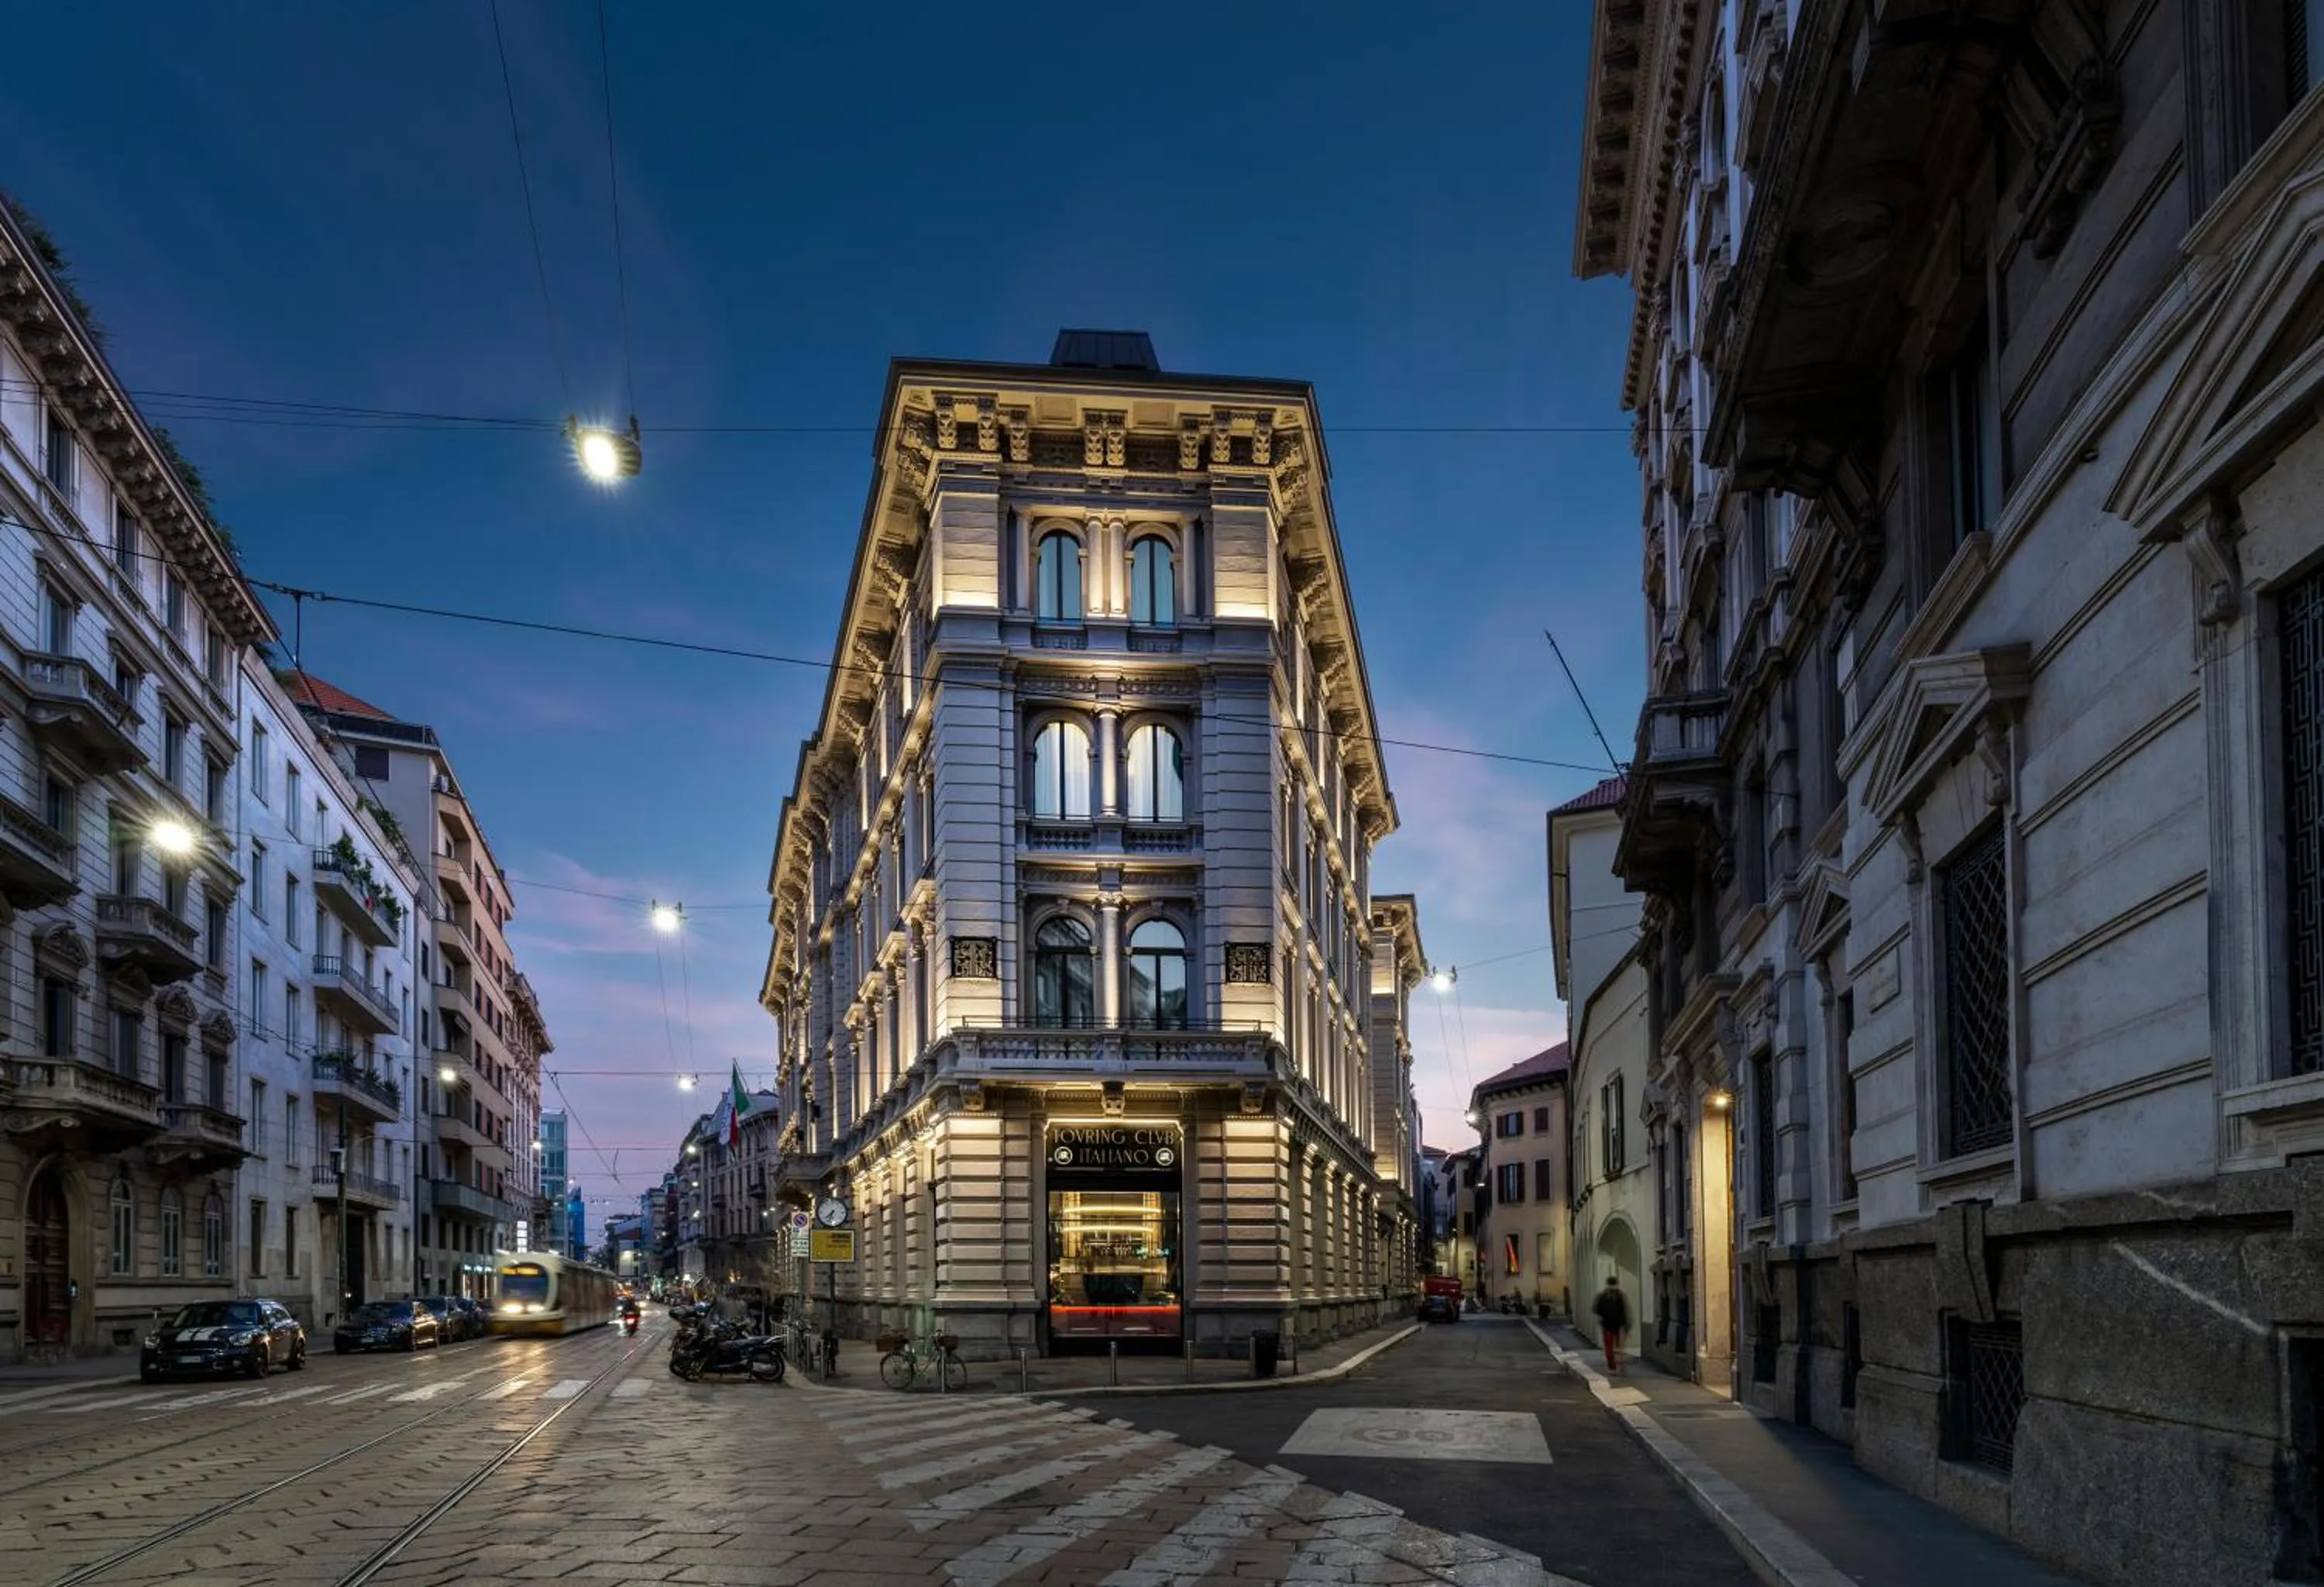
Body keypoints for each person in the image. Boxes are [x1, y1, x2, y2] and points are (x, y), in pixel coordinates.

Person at [1591, 1275, 1628, 1374]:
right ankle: (1621, 1365)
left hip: (1607, 1325)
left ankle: (1612, 1367)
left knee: (1609, 1347)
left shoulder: (1602, 1295)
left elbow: (1596, 1309)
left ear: (1607, 1283)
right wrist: (1625, 1324)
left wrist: (1603, 1317)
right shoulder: (1620, 1295)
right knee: (1619, 1346)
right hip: (1619, 1325)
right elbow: (1624, 1311)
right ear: (1616, 1283)